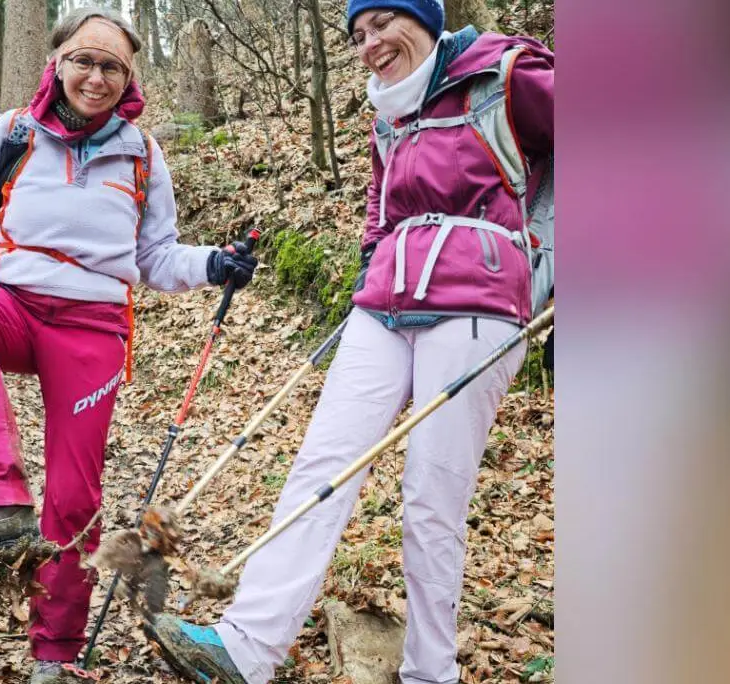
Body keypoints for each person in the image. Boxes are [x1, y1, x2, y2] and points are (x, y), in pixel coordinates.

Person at [149, 1, 553, 683]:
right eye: (358, 35)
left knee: (433, 494)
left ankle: (432, 671)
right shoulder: (388, 112)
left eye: (382, 24)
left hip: (480, 300)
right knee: (321, 466)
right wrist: (372, 259)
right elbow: (380, 202)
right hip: (385, 302)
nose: (369, 45)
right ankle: (246, 648)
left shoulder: (503, 72)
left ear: (424, 18)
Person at [0, 7, 258, 683]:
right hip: (9, 302)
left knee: (72, 496)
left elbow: (158, 256)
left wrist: (214, 265)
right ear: (56, 63)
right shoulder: (14, 134)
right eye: (83, 60)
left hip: (91, 328)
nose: (95, 76)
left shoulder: (143, 153)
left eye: (111, 66)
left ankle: (54, 653)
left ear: (129, 77)